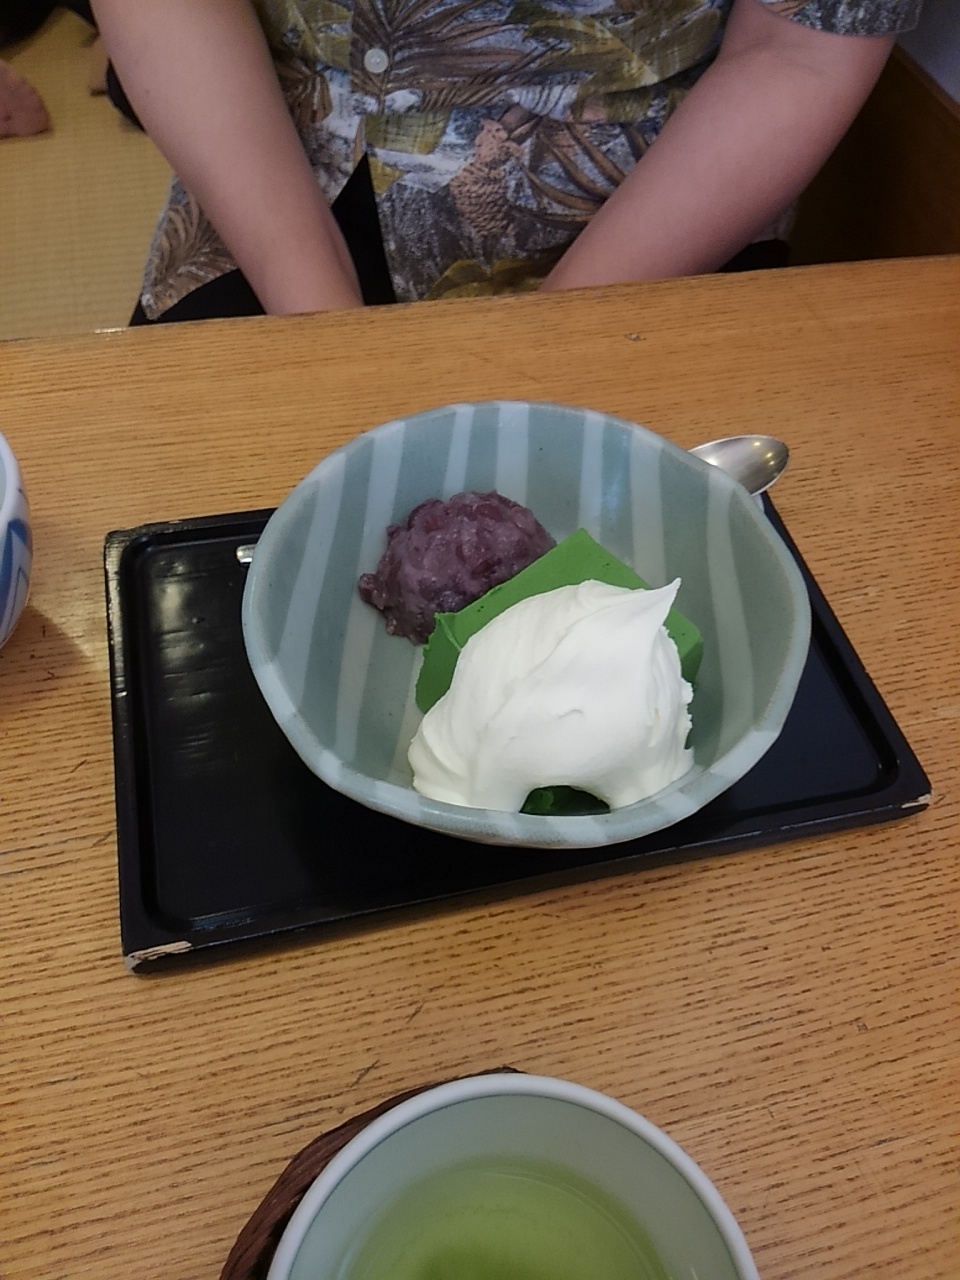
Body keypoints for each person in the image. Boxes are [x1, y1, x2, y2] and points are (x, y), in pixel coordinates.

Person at [88, 0, 922, 324]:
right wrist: (324, 332)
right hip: (275, 165)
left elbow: (797, 49)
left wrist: (541, 348)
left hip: (661, 204)